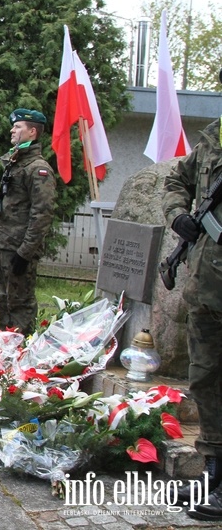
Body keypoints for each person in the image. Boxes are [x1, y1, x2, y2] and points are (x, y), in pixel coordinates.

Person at [163, 113, 222, 521]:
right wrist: (178, 215)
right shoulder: (212, 141)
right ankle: (214, 472)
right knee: (205, 379)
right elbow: (175, 181)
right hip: (205, 286)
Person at [0, 108, 56, 336]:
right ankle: (6, 349)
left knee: (20, 304)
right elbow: (5, 193)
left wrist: (25, 252)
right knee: (4, 300)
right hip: (3, 243)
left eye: (18, 127)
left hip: (18, 248)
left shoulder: (38, 169)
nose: (12, 130)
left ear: (32, 132)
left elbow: (42, 214)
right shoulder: (16, 162)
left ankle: (20, 352)